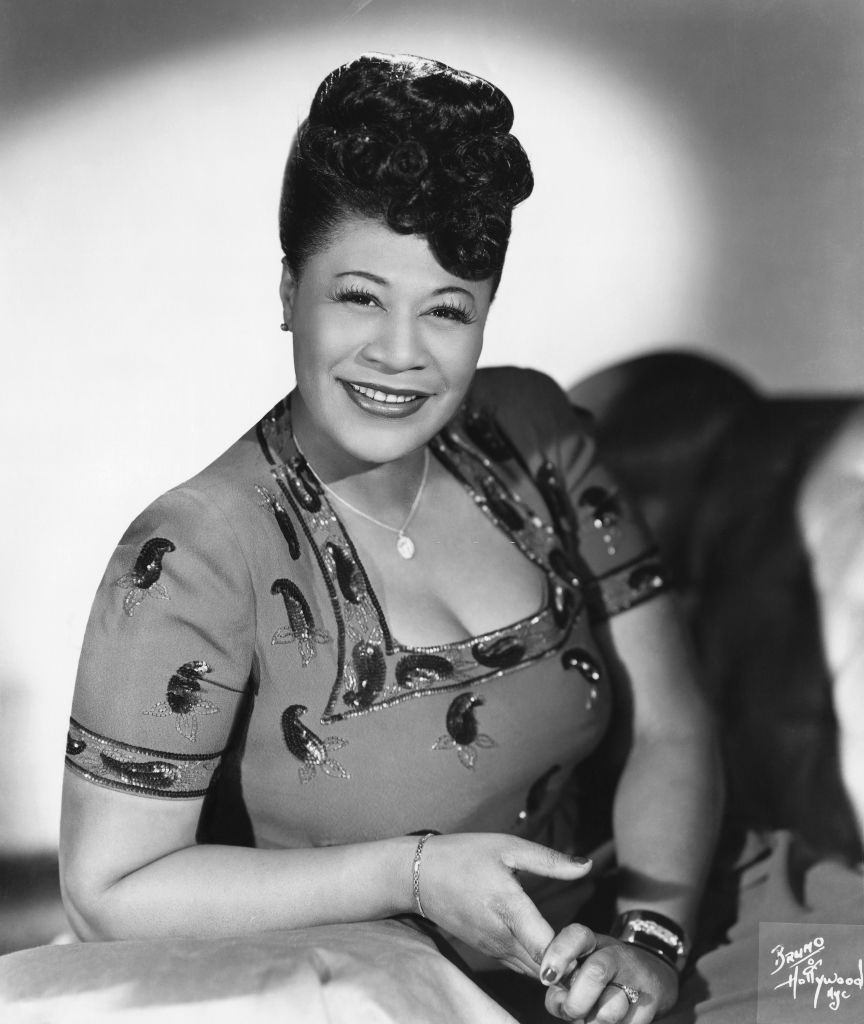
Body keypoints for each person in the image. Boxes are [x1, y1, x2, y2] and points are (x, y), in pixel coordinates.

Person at [60, 53, 722, 1023]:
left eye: (447, 309)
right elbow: (104, 890)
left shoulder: (535, 429)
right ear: (290, 290)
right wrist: (413, 875)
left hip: (635, 940)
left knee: (836, 979)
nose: (401, 355)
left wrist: (650, 941)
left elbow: (672, 721)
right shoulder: (192, 552)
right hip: (369, 996)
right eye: (359, 296)